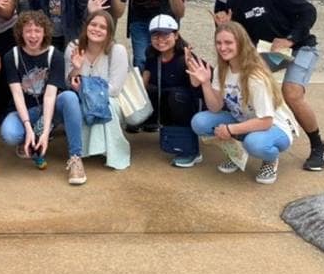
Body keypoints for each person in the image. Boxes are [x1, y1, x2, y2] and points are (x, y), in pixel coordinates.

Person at [214, 0, 324, 172]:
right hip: (268, 53)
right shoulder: (235, 2)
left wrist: (290, 39)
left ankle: (318, 147)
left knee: (292, 93)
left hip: (299, 46)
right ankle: (246, 141)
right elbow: (237, 42)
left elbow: (308, 11)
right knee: (243, 85)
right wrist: (224, 27)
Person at [187, 22, 300, 185]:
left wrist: (230, 129)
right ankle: (236, 153)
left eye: (228, 43)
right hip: (245, 119)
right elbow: (215, 107)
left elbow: (266, 121)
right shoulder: (222, 68)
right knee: (200, 122)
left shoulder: (255, 76)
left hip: (275, 127)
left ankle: (270, 159)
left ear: (241, 43)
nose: (222, 48)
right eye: (218, 43)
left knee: (254, 143)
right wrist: (205, 83)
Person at [0, 11, 87, 185]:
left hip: (49, 107)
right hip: (24, 110)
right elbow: (17, 94)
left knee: (69, 97)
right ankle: (29, 137)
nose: (33, 35)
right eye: (28, 30)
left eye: (37, 30)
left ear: (45, 32)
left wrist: (46, 132)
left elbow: (50, 96)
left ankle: (76, 158)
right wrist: (28, 128)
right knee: (9, 133)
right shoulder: (12, 56)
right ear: (21, 33)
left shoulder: (55, 55)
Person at [64, 11, 131, 170]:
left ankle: (110, 150)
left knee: (107, 106)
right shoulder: (73, 47)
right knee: (78, 104)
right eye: (93, 24)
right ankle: (84, 150)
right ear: (86, 26)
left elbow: (114, 89)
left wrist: (86, 88)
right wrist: (76, 68)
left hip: (109, 98)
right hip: (81, 97)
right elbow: (69, 83)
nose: (97, 29)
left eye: (103, 27)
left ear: (109, 33)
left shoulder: (118, 51)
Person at [142, 14, 204, 167]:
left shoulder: (185, 57)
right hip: (167, 101)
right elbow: (144, 82)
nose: (160, 39)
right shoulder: (152, 56)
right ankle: (155, 124)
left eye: (166, 34)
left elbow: (199, 87)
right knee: (149, 91)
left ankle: (191, 150)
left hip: (188, 104)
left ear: (176, 35)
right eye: (155, 35)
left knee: (176, 96)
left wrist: (190, 64)